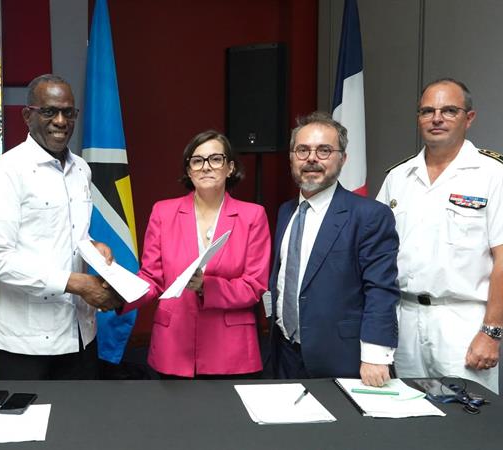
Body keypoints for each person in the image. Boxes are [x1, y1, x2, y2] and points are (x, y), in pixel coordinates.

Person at [0, 74, 120, 380]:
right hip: (26, 343)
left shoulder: (81, 169)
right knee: (27, 414)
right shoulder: (5, 172)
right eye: (49, 111)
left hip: (81, 333)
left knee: (82, 412)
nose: (60, 121)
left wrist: (93, 247)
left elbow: (69, 234)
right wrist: (76, 283)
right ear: (27, 116)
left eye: (68, 112)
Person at [377, 78, 503, 393]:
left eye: (449, 111)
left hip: (462, 322)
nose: (436, 119)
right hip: (404, 319)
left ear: (469, 118)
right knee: (409, 412)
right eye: (427, 111)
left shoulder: (493, 175)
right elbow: (377, 254)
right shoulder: (398, 177)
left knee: (469, 415)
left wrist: (491, 332)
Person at [120, 130, 270, 378]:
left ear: (230, 168)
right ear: (189, 170)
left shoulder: (252, 216)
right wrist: (118, 294)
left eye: (216, 159)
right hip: (174, 346)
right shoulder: (163, 212)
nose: (206, 167)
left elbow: (254, 285)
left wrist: (206, 286)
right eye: (197, 161)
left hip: (231, 349)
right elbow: (151, 277)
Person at [268, 112, 399, 387]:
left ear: (343, 159)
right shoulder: (286, 212)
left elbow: (380, 289)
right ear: (291, 158)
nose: (311, 158)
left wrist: (376, 356)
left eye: (324, 150)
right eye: (302, 150)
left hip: (342, 358)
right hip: (285, 354)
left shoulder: (369, 215)